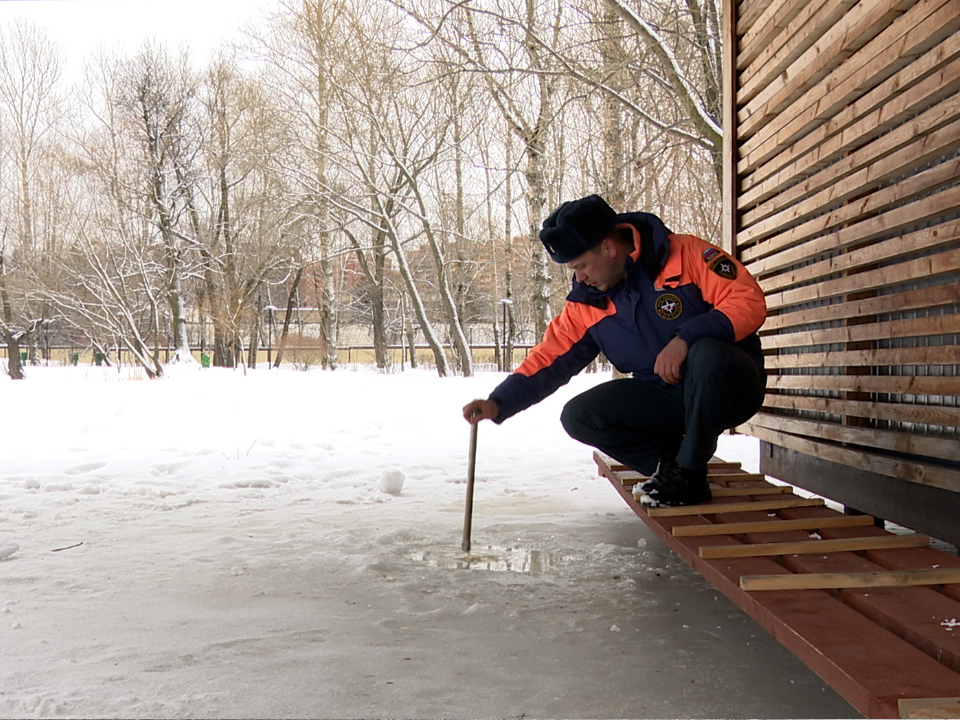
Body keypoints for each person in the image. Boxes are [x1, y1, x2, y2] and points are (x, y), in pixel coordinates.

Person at [462, 194, 767, 507]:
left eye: (581, 266)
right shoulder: (587, 301)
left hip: (730, 388)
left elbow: (748, 301)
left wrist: (685, 339)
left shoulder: (686, 254)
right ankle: (671, 462)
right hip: (669, 399)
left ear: (608, 248)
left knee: (706, 352)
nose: (578, 277)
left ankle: (688, 477)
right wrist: (499, 403)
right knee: (580, 415)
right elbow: (550, 358)